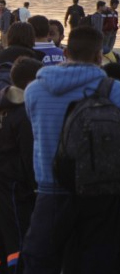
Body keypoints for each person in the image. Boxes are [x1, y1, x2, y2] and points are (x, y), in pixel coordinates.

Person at [22, 26, 120, 273]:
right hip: (101, 192)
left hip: (50, 188)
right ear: (99, 56)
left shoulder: (34, 89)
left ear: (65, 51)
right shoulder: (115, 90)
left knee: (41, 262)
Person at [0, 57, 41, 274]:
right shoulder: (24, 113)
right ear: (30, 83)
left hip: (0, 180)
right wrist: (36, 185)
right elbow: (28, 154)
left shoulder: (3, 105)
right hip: (17, 185)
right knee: (18, 238)